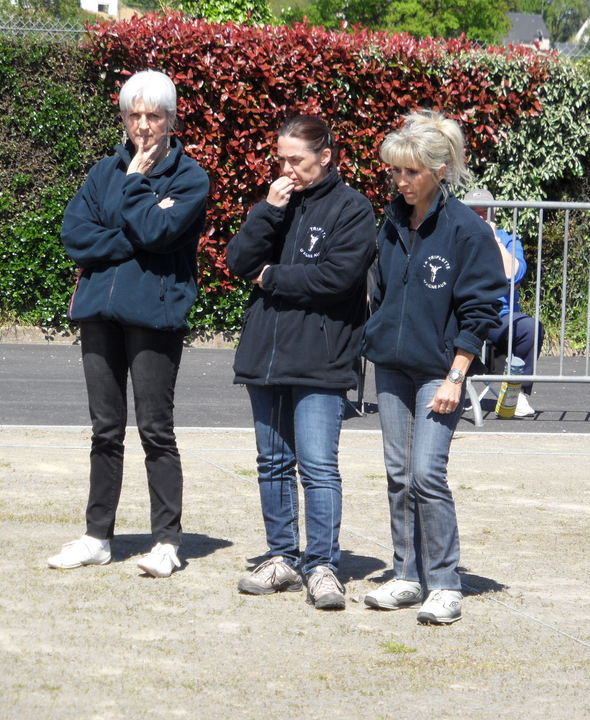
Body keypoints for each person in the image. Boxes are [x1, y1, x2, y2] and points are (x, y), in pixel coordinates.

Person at [47, 70, 210, 578]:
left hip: (155, 318)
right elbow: (76, 235)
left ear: (171, 119)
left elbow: (160, 231)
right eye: (134, 115)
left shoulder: (190, 178)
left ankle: (166, 542)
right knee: (105, 430)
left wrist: (136, 187)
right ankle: (98, 537)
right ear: (123, 117)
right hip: (98, 314)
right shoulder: (102, 172)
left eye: (153, 115)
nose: (142, 125)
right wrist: (132, 238)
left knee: (156, 430)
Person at [362, 111, 507, 624]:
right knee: (398, 474)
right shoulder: (391, 221)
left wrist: (456, 376)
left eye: (411, 172)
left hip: (439, 372)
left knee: (426, 473)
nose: (400, 181)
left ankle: (444, 583)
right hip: (391, 367)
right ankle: (407, 575)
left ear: (439, 171)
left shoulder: (467, 229)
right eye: (395, 171)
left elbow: (482, 309)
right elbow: (381, 288)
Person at [226, 115, 376, 610]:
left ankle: (323, 566)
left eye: (296, 160)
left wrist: (271, 277)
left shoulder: (352, 208)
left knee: (318, 466)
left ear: (325, 157)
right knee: (272, 463)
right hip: (265, 357)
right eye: (281, 159)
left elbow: (336, 278)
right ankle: (281, 557)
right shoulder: (277, 203)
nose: (286, 169)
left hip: (321, 359)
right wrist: (267, 211)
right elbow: (238, 261)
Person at [463, 188, 545, 417]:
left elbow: (513, 275)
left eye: (484, 212)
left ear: (494, 213)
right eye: (474, 212)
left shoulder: (508, 240)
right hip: (462, 312)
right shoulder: (456, 237)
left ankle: (516, 395)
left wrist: (493, 239)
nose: (480, 217)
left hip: (499, 316)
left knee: (529, 328)